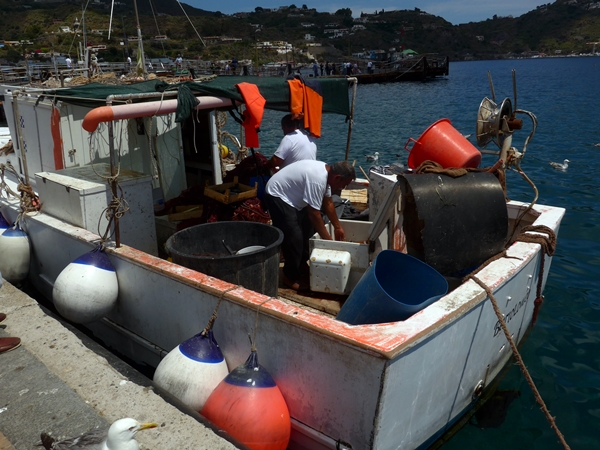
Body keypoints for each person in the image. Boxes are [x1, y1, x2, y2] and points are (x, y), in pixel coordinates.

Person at [264, 160, 355, 291]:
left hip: (295, 198)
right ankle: (290, 277)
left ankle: (301, 265)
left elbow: (328, 203)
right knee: (294, 237)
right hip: (278, 194)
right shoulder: (317, 180)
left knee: (308, 232)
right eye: (344, 185)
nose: (343, 188)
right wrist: (329, 242)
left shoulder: (327, 176)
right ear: (337, 178)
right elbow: (314, 214)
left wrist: (338, 227)